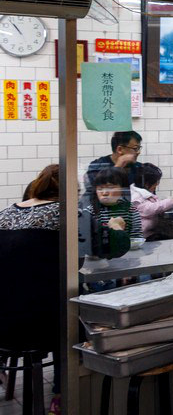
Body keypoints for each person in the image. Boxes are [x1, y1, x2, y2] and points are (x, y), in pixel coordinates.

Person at [0, 165, 62, 414]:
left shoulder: (5, 213)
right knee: (75, 321)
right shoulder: (63, 213)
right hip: (35, 325)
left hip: (3, 320)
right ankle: (62, 392)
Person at [81, 166, 142, 259]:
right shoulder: (90, 212)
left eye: (110, 188)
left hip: (128, 258)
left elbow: (136, 238)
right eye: (100, 188)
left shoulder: (131, 210)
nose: (104, 192)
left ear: (122, 189)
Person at [82, 131, 145, 204]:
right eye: (135, 148)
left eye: (139, 148)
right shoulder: (98, 166)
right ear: (120, 149)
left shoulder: (138, 168)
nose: (138, 152)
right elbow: (93, 193)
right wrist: (118, 166)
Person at [130, 163, 173, 240]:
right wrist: (171, 201)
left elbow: (154, 202)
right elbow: (150, 209)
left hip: (148, 232)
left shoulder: (143, 193)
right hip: (142, 235)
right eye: (156, 182)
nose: (157, 185)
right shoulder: (135, 197)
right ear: (147, 184)